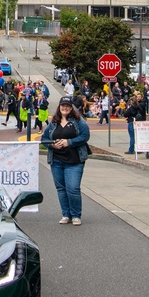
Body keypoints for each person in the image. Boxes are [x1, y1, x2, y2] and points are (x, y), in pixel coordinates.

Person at [41, 96, 91, 226]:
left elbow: (85, 136)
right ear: (59, 107)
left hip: (75, 160)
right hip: (56, 160)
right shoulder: (53, 122)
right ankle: (66, 214)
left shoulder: (79, 121)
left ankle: (76, 215)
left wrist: (69, 142)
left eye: (68, 106)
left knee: (73, 188)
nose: (65, 108)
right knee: (61, 188)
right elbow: (44, 138)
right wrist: (51, 145)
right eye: (63, 105)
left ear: (71, 107)